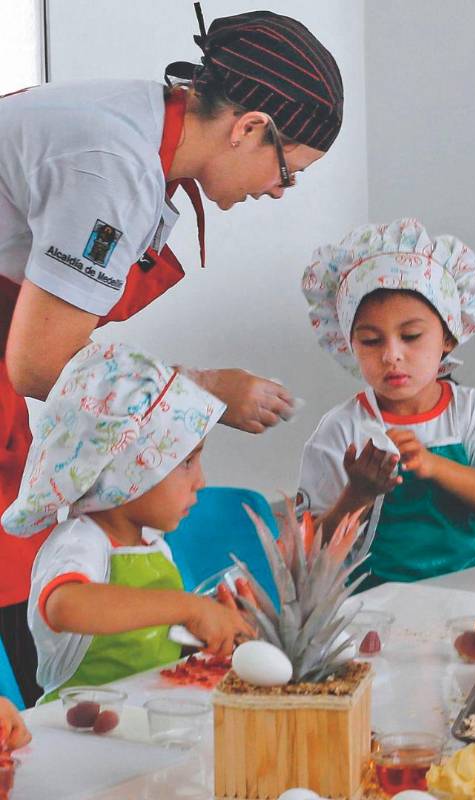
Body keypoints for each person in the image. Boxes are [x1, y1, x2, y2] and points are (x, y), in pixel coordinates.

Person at [0, 8, 343, 704]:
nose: (278, 191)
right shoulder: (114, 167)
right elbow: (38, 366)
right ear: (247, 127)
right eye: (288, 172)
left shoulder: (140, 133)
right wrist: (203, 390)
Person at [1, 342, 252, 701]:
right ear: (125, 472)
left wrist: (205, 628)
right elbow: (64, 606)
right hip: (78, 731)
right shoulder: (82, 541)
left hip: (138, 719)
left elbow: (140, 641)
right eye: (186, 462)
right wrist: (189, 608)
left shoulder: (149, 544)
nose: (201, 481)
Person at [297, 218, 475, 589]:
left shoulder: (469, 412)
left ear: (448, 337)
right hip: (373, 614)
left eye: (411, 336)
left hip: (468, 602)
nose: (392, 355)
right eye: (371, 341)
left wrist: (432, 465)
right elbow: (304, 554)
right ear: (348, 345)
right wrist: (358, 493)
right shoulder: (341, 429)